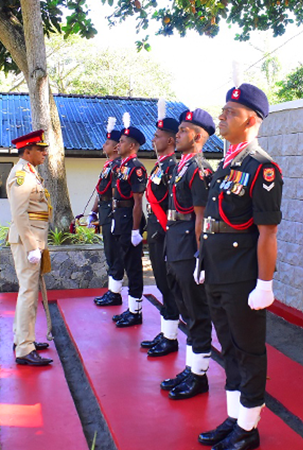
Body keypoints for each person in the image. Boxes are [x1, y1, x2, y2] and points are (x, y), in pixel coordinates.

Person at [196, 83, 283, 450]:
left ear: (251, 119)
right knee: (228, 348)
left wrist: (265, 283)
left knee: (248, 351)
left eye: (230, 112)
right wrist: (202, 261)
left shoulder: (261, 167)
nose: (221, 117)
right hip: (218, 271)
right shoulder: (227, 165)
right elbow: (211, 221)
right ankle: (235, 418)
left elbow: (267, 232)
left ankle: (249, 429)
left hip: (242, 276)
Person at [160, 109, 216, 400]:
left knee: (196, 312)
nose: (177, 134)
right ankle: (191, 367)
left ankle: (199, 376)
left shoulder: (199, 168)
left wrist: (200, 256)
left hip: (188, 246)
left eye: (183, 130)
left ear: (197, 136)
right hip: (175, 241)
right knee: (185, 308)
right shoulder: (182, 166)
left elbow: (201, 217)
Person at [6, 129, 54, 367]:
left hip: (34, 239)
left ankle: (24, 339)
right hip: (29, 240)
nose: (44, 153)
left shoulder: (31, 173)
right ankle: (25, 349)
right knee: (28, 292)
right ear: (27, 152)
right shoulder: (21, 175)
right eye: (40, 149)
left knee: (29, 291)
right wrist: (32, 246)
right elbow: (19, 213)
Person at [140, 103, 183, 356]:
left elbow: (172, 204)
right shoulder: (159, 166)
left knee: (168, 286)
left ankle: (171, 337)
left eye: (157, 136)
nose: (153, 140)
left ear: (169, 140)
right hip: (156, 231)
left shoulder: (172, 167)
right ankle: (166, 331)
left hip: (165, 232)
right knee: (161, 283)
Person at [111, 113, 148, 328]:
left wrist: (135, 229)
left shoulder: (136, 167)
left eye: (122, 141)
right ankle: (131, 307)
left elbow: (137, 201)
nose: (118, 145)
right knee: (124, 262)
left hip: (129, 219)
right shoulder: (122, 166)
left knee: (133, 267)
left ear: (132, 145)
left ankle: (136, 311)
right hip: (120, 217)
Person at [93, 117, 126, 307]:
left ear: (115, 147)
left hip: (112, 212)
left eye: (107, 143)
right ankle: (112, 290)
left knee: (114, 253)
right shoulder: (108, 166)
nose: (103, 146)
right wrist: (93, 212)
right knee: (109, 252)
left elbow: (115, 193)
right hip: (104, 210)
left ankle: (115, 293)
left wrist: (113, 215)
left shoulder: (118, 166)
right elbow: (100, 191)